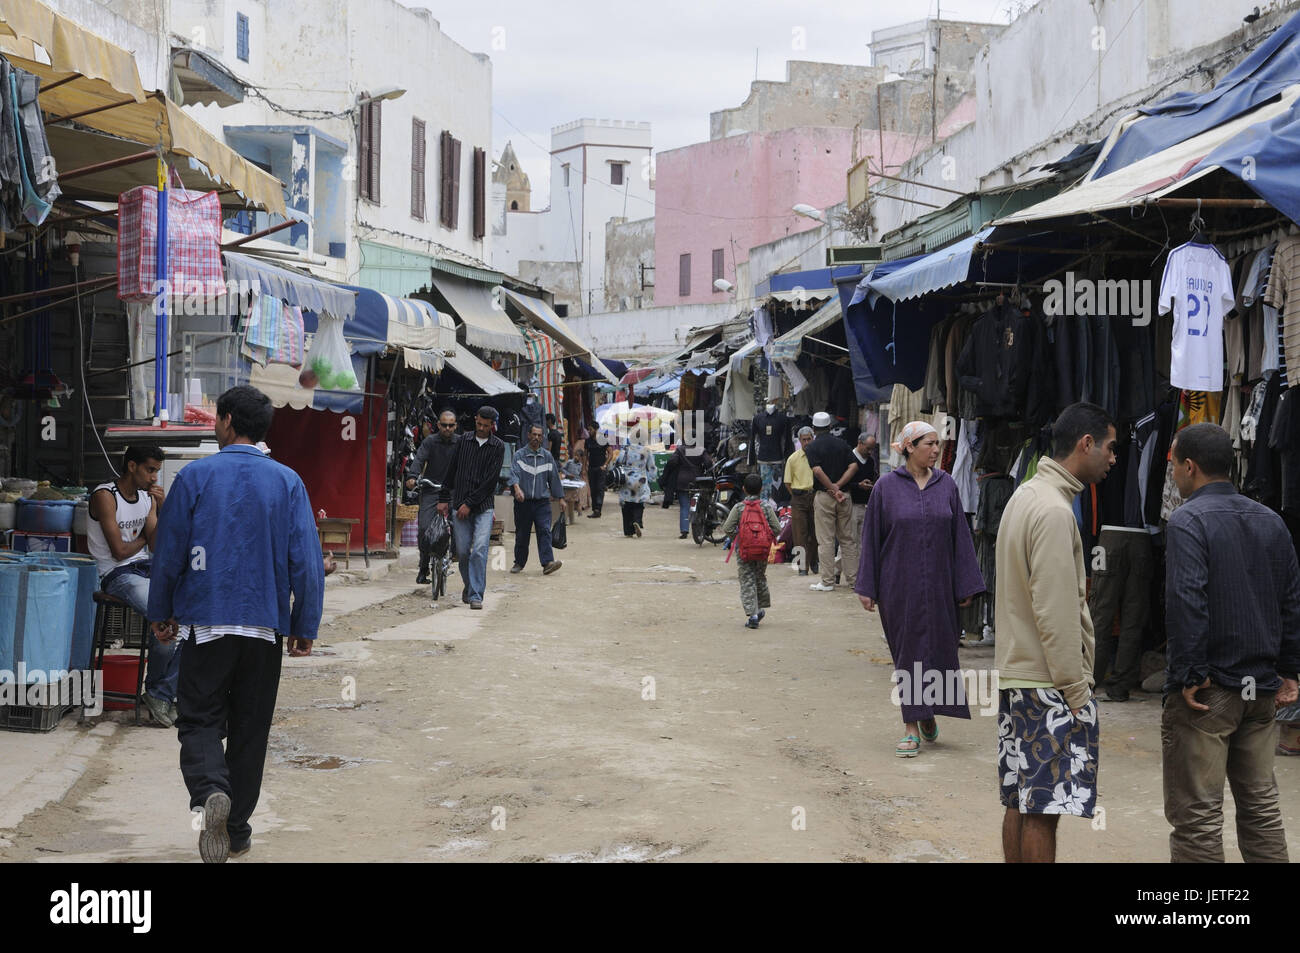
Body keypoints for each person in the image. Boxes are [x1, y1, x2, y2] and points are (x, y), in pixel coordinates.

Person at [147, 385, 324, 863]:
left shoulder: (195, 477)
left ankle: (209, 794)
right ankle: (238, 831)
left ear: (225, 420)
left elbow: (169, 554)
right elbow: (306, 561)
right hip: (264, 628)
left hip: (207, 624)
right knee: (250, 729)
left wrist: (160, 612)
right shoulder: (288, 481)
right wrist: (304, 624)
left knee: (199, 718)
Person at [1162, 422, 1300, 863]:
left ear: (1190, 466)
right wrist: (1289, 670)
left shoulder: (1188, 520)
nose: (1172, 475)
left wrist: (1188, 673)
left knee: (1198, 816)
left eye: (1172, 465)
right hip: (1259, 690)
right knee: (1261, 809)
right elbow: (1291, 600)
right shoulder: (1271, 520)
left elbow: (1187, 598)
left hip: (1209, 693)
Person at [994, 401, 1116, 863]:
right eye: (1109, 447)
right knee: (1043, 808)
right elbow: (1056, 610)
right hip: (1049, 684)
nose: (1112, 458)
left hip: (1020, 676)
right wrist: (1076, 690)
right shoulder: (1053, 510)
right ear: (1086, 444)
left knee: (1020, 799)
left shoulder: (1027, 495)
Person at [856, 421, 984, 757]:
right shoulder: (885, 488)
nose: (936, 450)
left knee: (941, 649)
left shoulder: (947, 486)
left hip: (941, 584)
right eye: (930, 444)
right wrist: (867, 585)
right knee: (909, 653)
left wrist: (966, 582)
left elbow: (961, 537)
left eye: (938, 445)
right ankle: (911, 726)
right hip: (899, 586)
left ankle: (926, 711)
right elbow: (871, 539)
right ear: (910, 446)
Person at [86, 445, 179, 727]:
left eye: (157, 472)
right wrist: (144, 534)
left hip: (145, 569)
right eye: (150, 470)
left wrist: (163, 510)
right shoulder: (105, 496)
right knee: (165, 614)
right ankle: (159, 694)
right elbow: (119, 551)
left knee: (189, 613)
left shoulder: (147, 499)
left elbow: (155, 545)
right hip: (116, 575)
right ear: (131, 466)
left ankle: (158, 693)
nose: (154, 478)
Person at [438, 405, 506, 610]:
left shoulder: (498, 447)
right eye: (479, 424)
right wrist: (443, 497)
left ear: (492, 425)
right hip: (459, 504)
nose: (482, 428)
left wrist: (470, 503)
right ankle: (469, 586)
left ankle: (476, 594)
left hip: (483, 507)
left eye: (486, 425)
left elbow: (490, 482)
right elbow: (451, 470)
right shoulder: (463, 441)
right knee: (463, 551)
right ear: (475, 420)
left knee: (479, 550)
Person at [804, 411, 858, 591]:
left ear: (814, 429)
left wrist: (832, 489)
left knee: (825, 540)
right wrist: (839, 487)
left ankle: (827, 581)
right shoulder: (842, 444)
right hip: (845, 496)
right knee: (848, 540)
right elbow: (853, 466)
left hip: (824, 496)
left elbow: (817, 471)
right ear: (830, 427)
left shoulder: (811, 447)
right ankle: (854, 581)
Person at [405, 408, 458, 585]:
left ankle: (455, 553)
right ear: (438, 425)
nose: (448, 428)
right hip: (431, 490)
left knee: (458, 524)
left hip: (452, 492)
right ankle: (423, 567)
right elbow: (419, 459)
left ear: (455, 426)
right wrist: (412, 477)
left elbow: (467, 463)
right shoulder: (430, 442)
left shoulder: (460, 443)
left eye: (451, 425)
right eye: (444, 425)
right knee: (424, 529)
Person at [721, 472, 781, 628]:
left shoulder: (739, 507)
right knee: (759, 576)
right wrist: (765, 539)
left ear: (744, 489)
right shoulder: (766, 507)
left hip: (744, 551)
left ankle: (753, 615)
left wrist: (740, 538)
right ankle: (760, 608)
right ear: (761, 489)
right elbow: (777, 528)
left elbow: (727, 527)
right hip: (762, 550)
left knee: (747, 580)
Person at [508, 424, 564, 575]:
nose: (536, 438)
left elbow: (554, 479)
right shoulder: (519, 455)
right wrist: (516, 488)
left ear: (542, 438)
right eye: (534, 434)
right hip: (523, 503)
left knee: (544, 531)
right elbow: (513, 473)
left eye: (539, 435)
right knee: (522, 534)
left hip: (542, 503)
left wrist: (561, 498)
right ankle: (519, 563)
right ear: (528, 435)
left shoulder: (547, 456)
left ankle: (547, 563)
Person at [783, 427, 817, 576]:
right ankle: (801, 566)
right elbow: (787, 483)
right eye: (804, 439)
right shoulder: (793, 458)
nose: (806, 442)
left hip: (816, 496)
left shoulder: (818, 456)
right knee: (799, 534)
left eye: (809, 439)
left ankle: (814, 561)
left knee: (816, 533)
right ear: (800, 441)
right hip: (798, 497)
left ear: (813, 439)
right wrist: (797, 496)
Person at [846, 433, 879, 589]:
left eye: (872, 449)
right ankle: (852, 575)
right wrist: (857, 485)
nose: (870, 452)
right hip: (851, 504)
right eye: (868, 448)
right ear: (860, 443)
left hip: (865, 504)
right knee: (851, 541)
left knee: (861, 542)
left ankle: (851, 572)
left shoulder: (870, 461)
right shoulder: (849, 459)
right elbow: (843, 483)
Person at [666, 441, 713, 539]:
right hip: (697, 479)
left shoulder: (680, 450)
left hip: (682, 480)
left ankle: (684, 531)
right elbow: (708, 463)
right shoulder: (700, 450)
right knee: (701, 503)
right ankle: (701, 526)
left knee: (684, 506)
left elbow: (672, 462)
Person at [614, 437, 654, 537]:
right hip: (641, 480)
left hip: (626, 479)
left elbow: (617, 462)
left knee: (626, 504)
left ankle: (628, 531)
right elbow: (652, 467)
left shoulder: (625, 450)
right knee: (639, 503)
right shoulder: (647, 451)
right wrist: (652, 479)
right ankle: (637, 521)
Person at [585, 425, 608, 518]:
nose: (589, 431)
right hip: (591, 468)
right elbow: (585, 455)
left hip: (600, 469)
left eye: (590, 429)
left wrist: (605, 465)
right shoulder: (588, 441)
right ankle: (595, 510)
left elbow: (610, 453)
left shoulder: (603, 439)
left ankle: (598, 509)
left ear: (596, 430)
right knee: (593, 489)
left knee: (600, 488)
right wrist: (584, 467)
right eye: (588, 429)